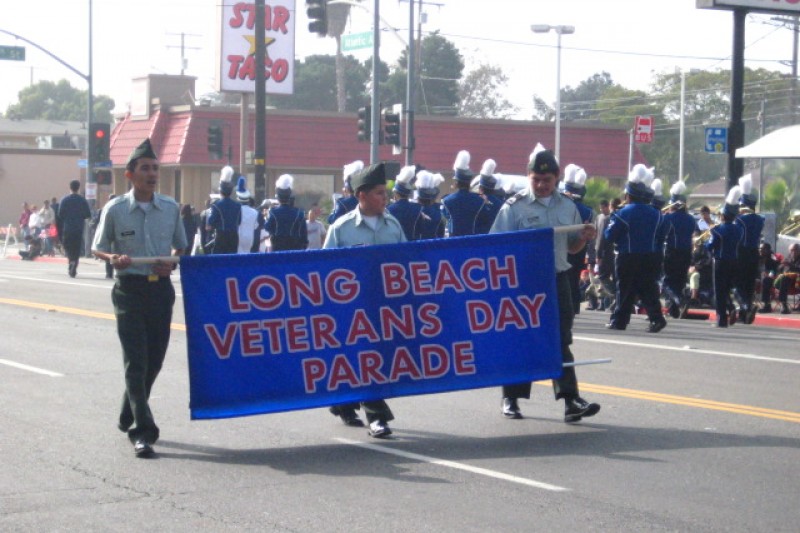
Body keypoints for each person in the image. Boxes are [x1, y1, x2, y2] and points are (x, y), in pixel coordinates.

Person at [490, 144, 600, 423]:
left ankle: (570, 400)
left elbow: (571, 249)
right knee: (521, 340)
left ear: (557, 179)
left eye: (546, 180)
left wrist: (584, 237)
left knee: (561, 340)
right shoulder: (514, 207)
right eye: (536, 180)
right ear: (528, 177)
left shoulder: (567, 206)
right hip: (523, 284)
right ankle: (511, 398)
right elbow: (496, 247)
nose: (540, 185)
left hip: (557, 279)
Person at [92, 138, 187, 458]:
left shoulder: (171, 208)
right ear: (130, 175)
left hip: (160, 290)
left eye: (155, 168)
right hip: (129, 290)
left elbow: (181, 247)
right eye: (145, 168)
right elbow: (97, 246)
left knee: (155, 360)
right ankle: (143, 430)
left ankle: (127, 413)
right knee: (136, 360)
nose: (152, 173)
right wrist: (112, 257)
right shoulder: (115, 209)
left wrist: (170, 262)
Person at [323, 162, 405, 438]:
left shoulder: (393, 226)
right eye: (380, 193)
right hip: (353, 310)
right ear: (362, 195)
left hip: (385, 308)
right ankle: (377, 418)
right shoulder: (341, 229)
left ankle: (342, 402)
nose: (386, 198)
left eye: (386, 193)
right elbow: (324, 270)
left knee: (375, 360)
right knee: (367, 359)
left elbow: (406, 264)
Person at [604, 164, 668, 333]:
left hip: (628, 255)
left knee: (624, 289)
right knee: (649, 289)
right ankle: (657, 318)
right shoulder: (657, 214)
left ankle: (619, 321)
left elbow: (609, 235)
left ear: (628, 194)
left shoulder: (622, 213)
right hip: (650, 255)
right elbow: (662, 236)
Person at [706, 186, 745, 327]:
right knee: (729, 288)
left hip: (720, 262)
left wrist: (709, 236)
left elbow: (709, 247)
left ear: (723, 215)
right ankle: (735, 307)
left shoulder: (717, 230)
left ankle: (721, 319)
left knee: (719, 291)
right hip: (734, 261)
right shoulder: (739, 230)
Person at [561, 164, 594, 314]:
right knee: (574, 278)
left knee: (562, 278)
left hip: (562, 245)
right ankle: (574, 306)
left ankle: (565, 307)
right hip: (580, 248)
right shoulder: (588, 211)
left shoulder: (559, 206)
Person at [661, 181, 696, 318]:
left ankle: (678, 300)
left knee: (667, 281)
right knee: (680, 281)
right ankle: (673, 310)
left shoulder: (668, 218)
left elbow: (663, 234)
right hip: (686, 252)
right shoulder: (691, 219)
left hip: (672, 251)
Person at [733, 174, 764, 323]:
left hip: (741, 252)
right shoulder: (760, 219)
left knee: (737, 284)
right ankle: (743, 314)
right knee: (749, 284)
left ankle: (746, 306)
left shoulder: (739, 219)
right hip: (754, 253)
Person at [442, 150, 493, 237]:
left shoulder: (447, 200)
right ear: (469, 182)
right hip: (472, 244)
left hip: (452, 244)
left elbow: (445, 223)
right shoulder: (479, 201)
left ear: (456, 182)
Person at [57, 180, 92, 278]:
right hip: (79, 228)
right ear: (78, 187)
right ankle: (74, 265)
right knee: (76, 248)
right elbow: (87, 214)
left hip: (68, 227)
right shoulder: (82, 200)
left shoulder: (65, 200)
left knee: (68, 246)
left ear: (70, 187)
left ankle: (71, 261)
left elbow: (60, 214)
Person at [265, 174, 308, 251]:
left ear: (278, 197)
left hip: (277, 248)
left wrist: (266, 216)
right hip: (295, 249)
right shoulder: (299, 213)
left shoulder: (273, 212)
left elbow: (267, 228)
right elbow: (304, 235)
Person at [206, 166, 241, 254]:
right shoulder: (237, 205)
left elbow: (210, 223)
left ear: (220, 191)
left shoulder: (216, 205)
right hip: (234, 236)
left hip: (221, 236)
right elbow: (239, 221)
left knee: (219, 262)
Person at [387, 165, 424, 240]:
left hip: (395, 244)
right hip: (413, 245)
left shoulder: (389, 209)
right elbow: (420, 229)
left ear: (396, 193)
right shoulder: (418, 208)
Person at [593, 199, 615, 311]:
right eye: (601, 208)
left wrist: (599, 254)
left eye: (604, 207)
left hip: (607, 252)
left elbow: (602, 238)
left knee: (603, 277)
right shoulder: (599, 217)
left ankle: (614, 294)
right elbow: (596, 235)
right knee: (602, 278)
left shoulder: (609, 218)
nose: (602, 210)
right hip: (603, 251)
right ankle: (604, 302)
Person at [472, 159, 504, 234]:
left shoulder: (476, 200)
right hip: (494, 238)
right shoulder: (500, 203)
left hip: (476, 238)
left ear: (481, 188)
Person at [415, 170, 446, 240]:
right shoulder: (438, 213)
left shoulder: (414, 212)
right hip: (434, 247)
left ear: (418, 197)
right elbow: (441, 234)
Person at [234, 176, 260, 254]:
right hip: (249, 239)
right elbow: (256, 226)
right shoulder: (255, 212)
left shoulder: (235, 210)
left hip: (237, 238)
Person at [772, 243, 800, 314]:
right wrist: (781, 265)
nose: (793, 252)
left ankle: (784, 304)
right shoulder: (788, 257)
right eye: (791, 250)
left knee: (785, 278)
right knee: (782, 277)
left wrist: (790, 265)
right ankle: (782, 305)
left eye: (795, 250)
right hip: (787, 283)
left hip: (797, 282)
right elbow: (779, 269)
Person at [757, 242, 781, 313]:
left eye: (762, 249)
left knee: (766, 281)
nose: (760, 250)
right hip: (759, 277)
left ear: (767, 250)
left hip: (772, 277)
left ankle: (767, 306)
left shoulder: (772, 257)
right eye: (760, 248)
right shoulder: (758, 257)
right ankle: (747, 304)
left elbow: (775, 269)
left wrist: (769, 276)